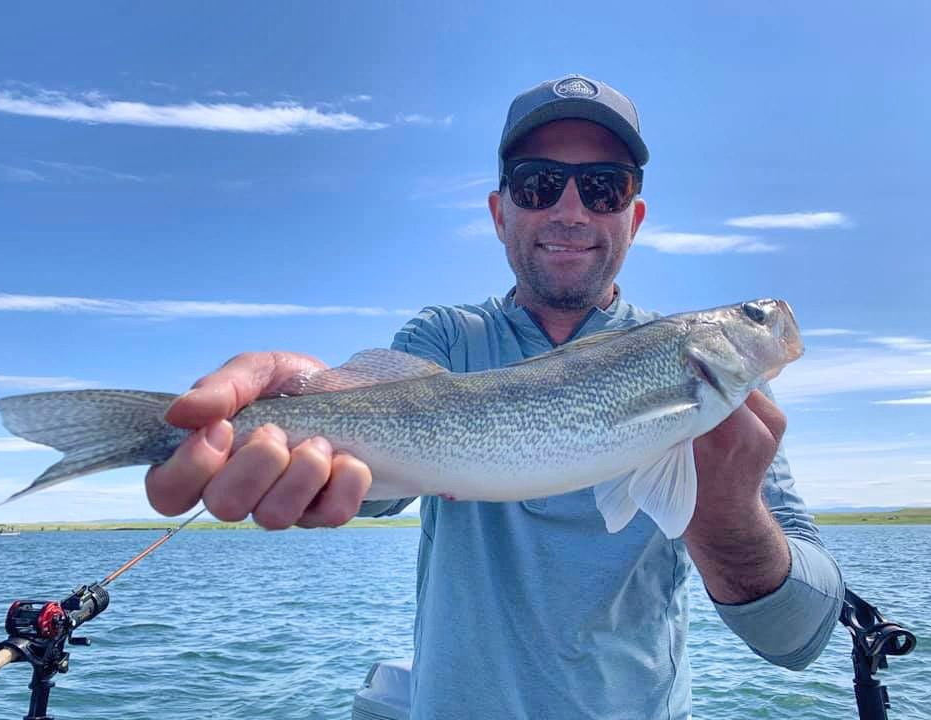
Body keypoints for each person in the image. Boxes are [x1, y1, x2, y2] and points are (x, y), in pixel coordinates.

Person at [145, 74, 846, 719]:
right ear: (499, 211)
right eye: (538, 183)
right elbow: (377, 485)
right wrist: (298, 414)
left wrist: (725, 517)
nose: (571, 209)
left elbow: (797, 640)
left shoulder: (721, 403)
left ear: (632, 217)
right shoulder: (447, 336)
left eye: (603, 186)